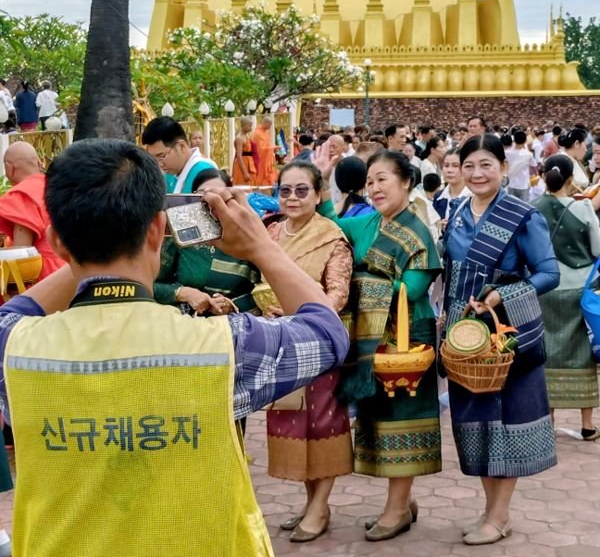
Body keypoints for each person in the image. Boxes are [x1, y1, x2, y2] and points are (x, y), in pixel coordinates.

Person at [0, 139, 349, 557]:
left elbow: (16, 310)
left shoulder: (16, 349)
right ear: (158, 231)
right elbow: (328, 333)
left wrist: (84, 249)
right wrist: (260, 246)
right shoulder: (224, 345)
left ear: (56, 242)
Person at [319, 150, 442, 542]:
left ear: (406, 182)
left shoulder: (418, 232)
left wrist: (354, 284)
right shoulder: (365, 223)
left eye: (382, 179)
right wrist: (324, 180)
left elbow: (412, 289)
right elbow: (327, 226)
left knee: (402, 420)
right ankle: (402, 502)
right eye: (369, 181)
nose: (374, 188)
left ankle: (397, 510)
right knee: (377, 421)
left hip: (408, 336)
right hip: (371, 339)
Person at [442, 134, 559, 546]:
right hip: (465, 336)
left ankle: (499, 515)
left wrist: (502, 294)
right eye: (469, 165)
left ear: (503, 168)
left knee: (505, 421)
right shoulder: (456, 212)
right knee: (476, 422)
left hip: (507, 334)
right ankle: (490, 511)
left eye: (486, 165)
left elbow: (548, 272)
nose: (477, 173)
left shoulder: (521, 215)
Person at [263, 163, 353, 543]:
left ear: (318, 195)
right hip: (278, 341)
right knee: (292, 421)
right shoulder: (270, 232)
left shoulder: (331, 237)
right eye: (286, 191)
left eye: (302, 191)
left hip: (318, 339)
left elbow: (338, 293)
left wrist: (299, 310)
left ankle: (320, 506)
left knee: (322, 423)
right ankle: (313, 502)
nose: (293, 198)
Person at [534, 155, 600, 439]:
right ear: (571, 178)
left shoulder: (533, 209)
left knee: (548, 348)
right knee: (581, 352)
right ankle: (587, 425)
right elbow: (597, 249)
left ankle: (547, 420)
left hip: (545, 287)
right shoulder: (584, 207)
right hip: (579, 287)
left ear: (544, 175)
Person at [154, 168, 259, 315]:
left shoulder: (246, 235)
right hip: (185, 327)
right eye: (202, 195)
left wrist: (232, 305)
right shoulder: (182, 236)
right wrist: (183, 292)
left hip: (235, 329)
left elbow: (264, 291)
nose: (210, 202)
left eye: (219, 196)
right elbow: (149, 286)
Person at [0, 141, 65, 280]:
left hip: (43, 275)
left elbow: (21, 255)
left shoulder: (23, 194)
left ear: (10, 169)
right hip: (69, 269)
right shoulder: (57, 186)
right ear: (39, 163)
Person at [142, 116, 214, 192]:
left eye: (161, 156)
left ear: (181, 146)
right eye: (154, 158)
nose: (160, 164)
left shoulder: (205, 173)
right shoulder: (170, 174)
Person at [432, 147, 471, 221]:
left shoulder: (472, 197)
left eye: (455, 166)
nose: (449, 170)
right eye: (446, 165)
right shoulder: (439, 197)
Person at [506, 129, 537, 201]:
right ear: (525, 141)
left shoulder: (507, 153)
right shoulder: (528, 154)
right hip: (523, 185)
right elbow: (534, 167)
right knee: (523, 207)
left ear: (514, 140)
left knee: (511, 205)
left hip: (511, 184)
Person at [559, 127, 590, 191]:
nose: (586, 150)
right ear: (577, 144)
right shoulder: (563, 162)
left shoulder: (574, 160)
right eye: (585, 145)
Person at [232, 116, 258, 185]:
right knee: (243, 185)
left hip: (249, 163)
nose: (251, 128)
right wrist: (245, 173)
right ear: (244, 125)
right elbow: (239, 156)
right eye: (249, 126)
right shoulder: (239, 138)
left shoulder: (246, 136)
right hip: (242, 164)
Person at [252, 116, 278, 186]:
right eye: (269, 125)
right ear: (265, 123)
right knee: (260, 175)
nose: (270, 127)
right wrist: (272, 148)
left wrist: (272, 149)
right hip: (260, 159)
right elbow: (260, 148)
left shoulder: (267, 132)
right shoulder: (257, 133)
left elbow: (267, 144)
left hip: (267, 157)